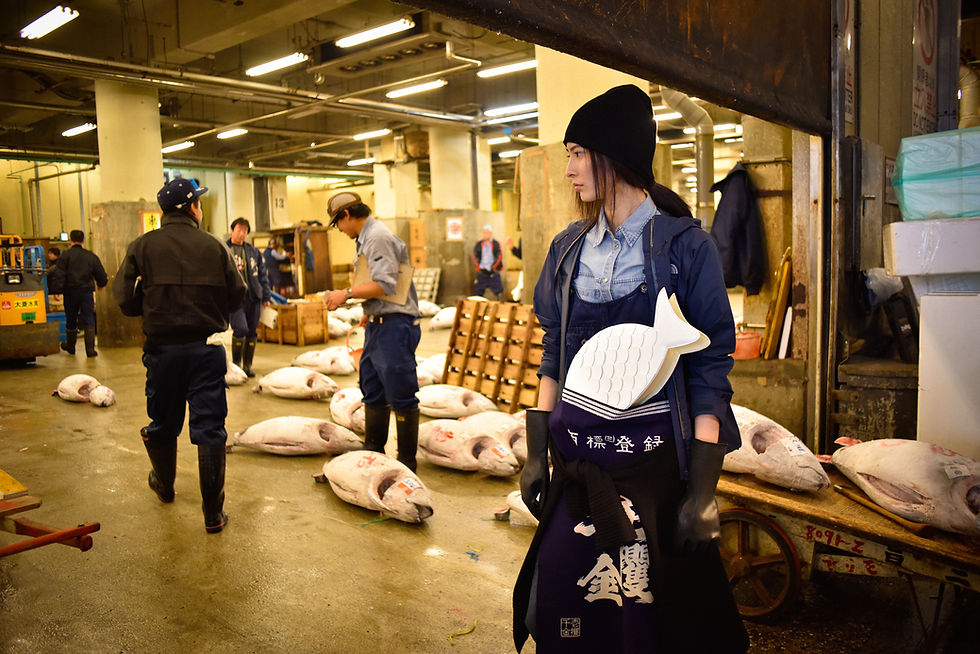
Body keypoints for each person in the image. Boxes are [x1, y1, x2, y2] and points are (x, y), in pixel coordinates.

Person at [513, 85, 748, 653]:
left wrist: (704, 490)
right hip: (581, 464)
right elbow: (554, 352)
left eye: (576, 153)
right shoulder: (567, 250)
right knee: (570, 611)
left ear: (613, 154)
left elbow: (709, 367)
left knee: (660, 618)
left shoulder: (685, 248)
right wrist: (536, 451)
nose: (568, 169)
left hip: (656, 470)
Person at [113, 178, 246, 534]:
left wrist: (150, 303)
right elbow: (238, 295)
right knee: (210, 428)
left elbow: (123, 298)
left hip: (163, 351)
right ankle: (212, 516)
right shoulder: (214, 246)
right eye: (199, 203)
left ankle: (165, 487)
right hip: (206, 349)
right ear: (191, 208)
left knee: (164, 423)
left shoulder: (143, 245)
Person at [323, 191, 421, 472]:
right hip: (380, 324)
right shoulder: (366, 238)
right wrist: (369, 311)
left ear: (346, 216)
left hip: (396, 326)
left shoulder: (377, 236)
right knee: (372, 387)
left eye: (338, 223)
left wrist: (346, 293)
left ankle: (407, 463)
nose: (340, 230)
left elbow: (386, 283)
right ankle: (374, 450)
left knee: (401, 392)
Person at [227, 217, 271, 377]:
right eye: (239, 230)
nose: (241, 234)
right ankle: (236, 365)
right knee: (241, 328)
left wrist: (266, 295)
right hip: (235, 299)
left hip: (254, 297)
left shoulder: (253, 251)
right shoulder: (225, 249)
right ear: (232, 230)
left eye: (245, 231)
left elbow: (262, 275)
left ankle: (247, 366)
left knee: (252, 331)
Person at [56, 230, 108, 357]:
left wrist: (57, 290)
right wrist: (101, 284)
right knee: (88, 318)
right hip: (86, 292)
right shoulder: (90, 256)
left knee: (71, 318)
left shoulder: (65, 256)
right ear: (83, 240)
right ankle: (90, 350)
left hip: (70, 292)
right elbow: (100, 272)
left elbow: (59, 274)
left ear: (70, 240)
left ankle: (71, 347)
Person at [472, 224, 504, 300]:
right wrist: (479, 266)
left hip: (493, 271)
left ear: (490, 234)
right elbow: (475, 256)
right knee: (478, 290)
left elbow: (499, 255)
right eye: (484, 233)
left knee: (498, 290)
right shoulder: (479, 244)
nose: (485, 235)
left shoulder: (496, 244)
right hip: (482, 271)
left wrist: (494, 266)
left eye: (487, 233)